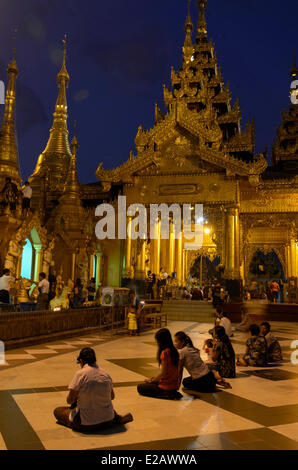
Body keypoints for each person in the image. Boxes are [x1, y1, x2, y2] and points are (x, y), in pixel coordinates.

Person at [54, 347, 133, 431]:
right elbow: (112, 397)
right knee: (101, 403)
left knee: (58, 411)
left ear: (81, 361)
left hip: (86, 423)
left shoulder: (80, 374)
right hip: (108, 420)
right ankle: (117, 418)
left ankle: (80, 423)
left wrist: (77, 396)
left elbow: (69, 400)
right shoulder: (105, 374)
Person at [137, 328, 182, 400]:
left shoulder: (165, 352)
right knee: (151, 382)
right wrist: (153, 379)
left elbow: (163, 373)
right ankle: (170, 392)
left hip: (166, 386)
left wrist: (151, 381)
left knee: (140, 387)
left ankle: (166, 394)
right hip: (173, 385)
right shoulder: (174, 351)